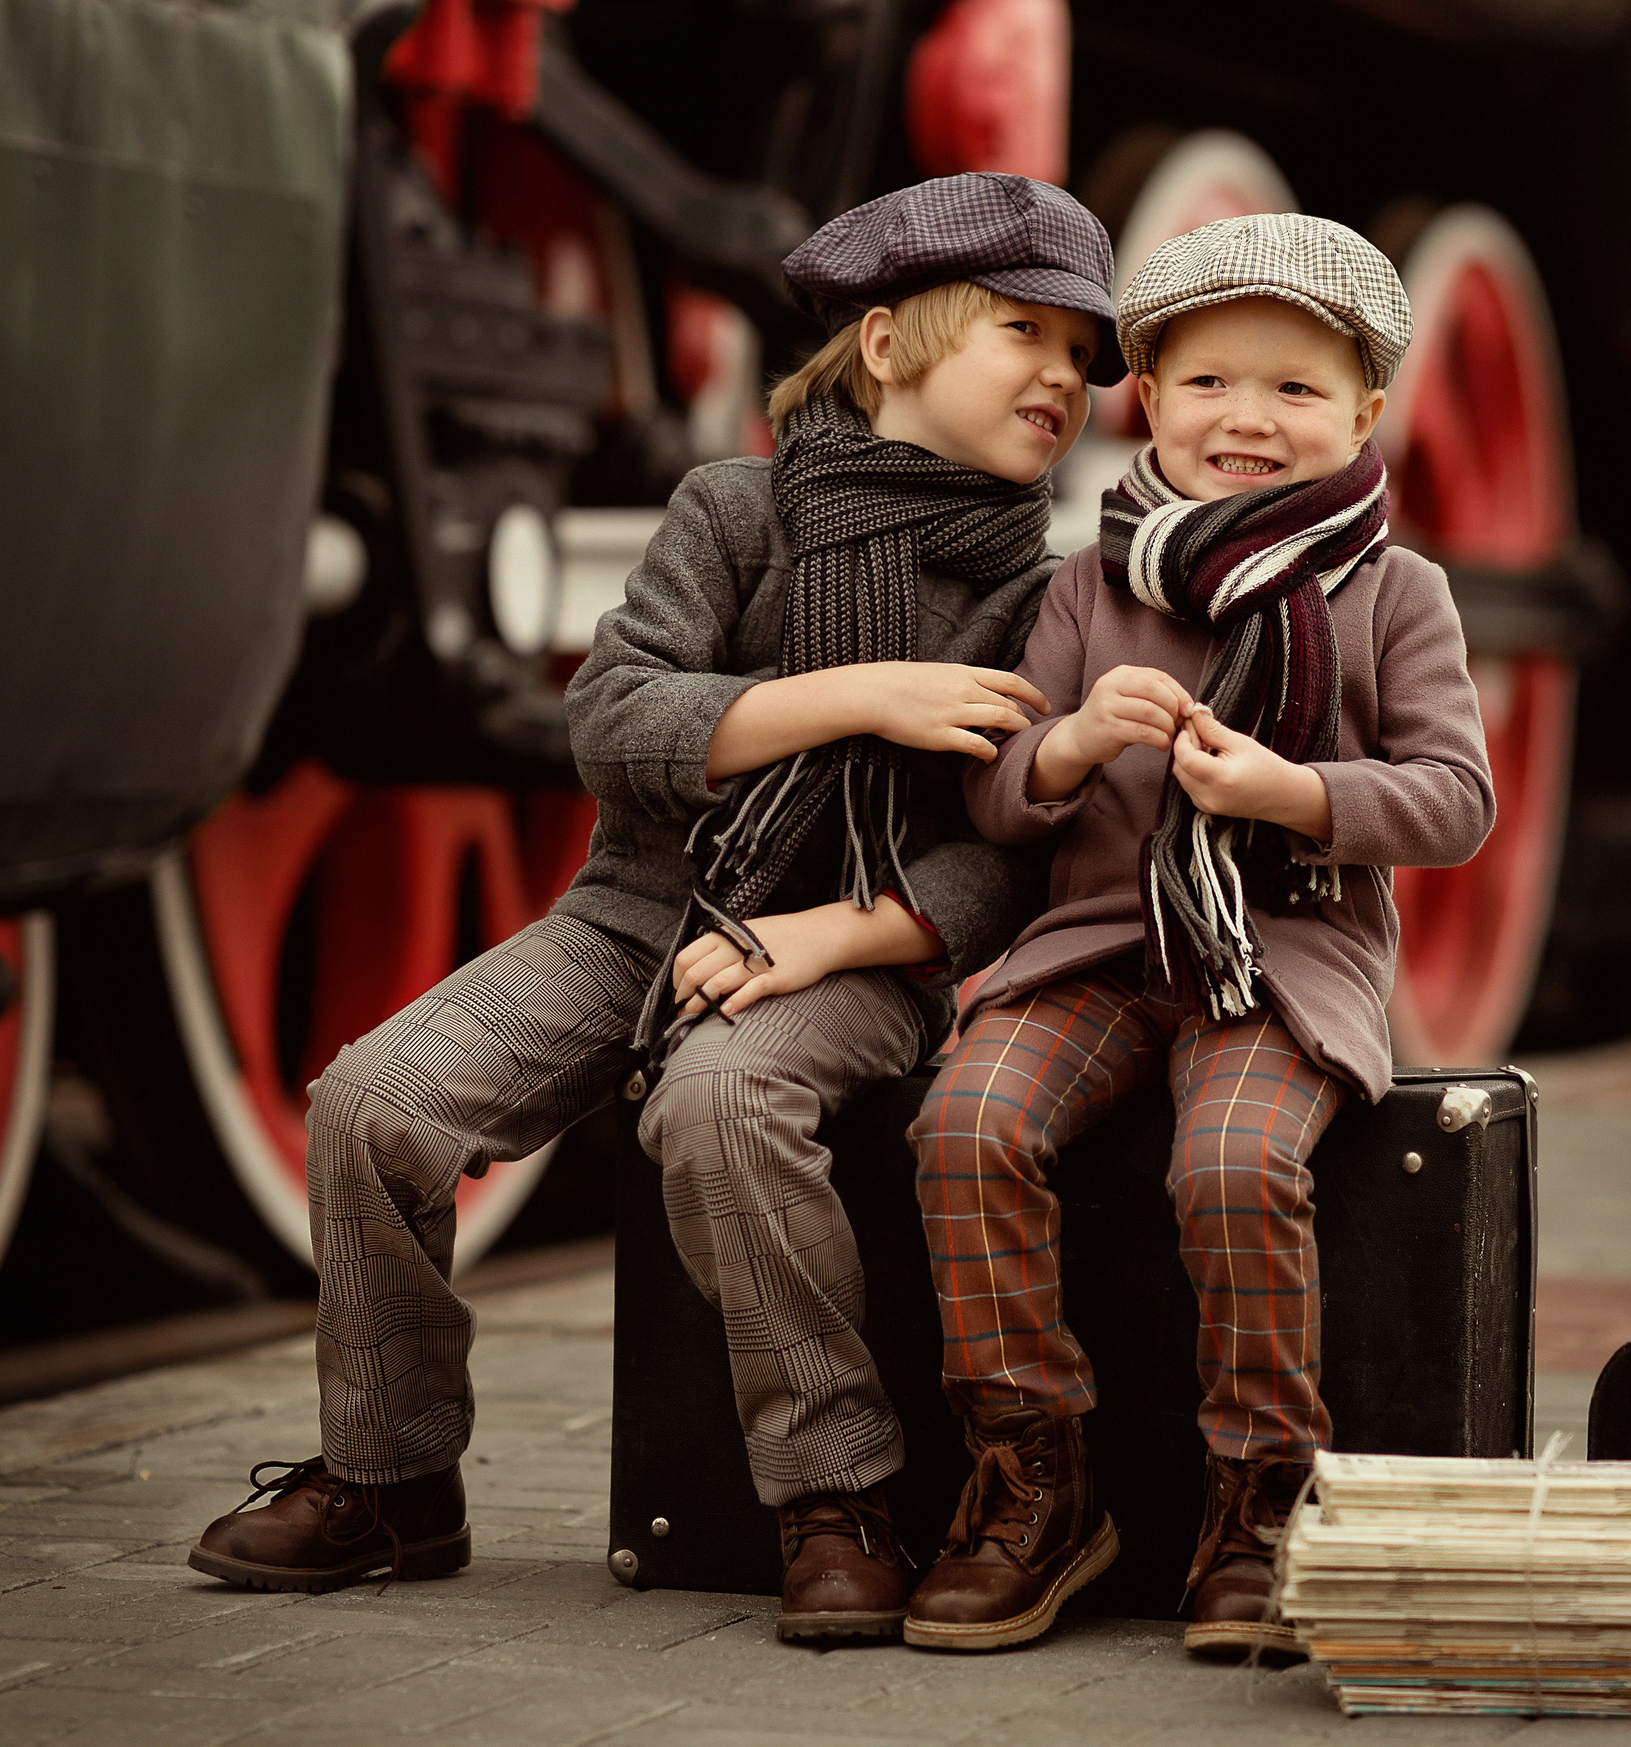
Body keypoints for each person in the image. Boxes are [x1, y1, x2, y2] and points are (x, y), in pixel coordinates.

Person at [187, 173, 1124, 1644]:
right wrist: (846, 695)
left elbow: (1009, 859)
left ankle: (836, 1492)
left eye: (1084, 357)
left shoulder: (1045, 593)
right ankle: (391, 1474)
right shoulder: (733, 511)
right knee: (374, 1104)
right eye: (1026, 335)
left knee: (719, 1107)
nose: (1065, 379)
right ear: (886, 344)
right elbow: (610, 720)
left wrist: (833, 935)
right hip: (639, 909)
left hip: (862, 943)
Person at [901, 212, 1495, 1657]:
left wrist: (1295, 794)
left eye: (1296, 390)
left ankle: (1263, 1493)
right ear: (1148, 400)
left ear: (1364, 413)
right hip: (1101, 946)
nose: (1250, 418)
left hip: (1275, 960)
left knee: (1229, 1164)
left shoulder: (1393, 592)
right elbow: (992, 793)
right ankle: (1036, 1476)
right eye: (1213, 382)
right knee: (964, 1125)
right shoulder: (1085, 589)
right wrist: (1063, 749)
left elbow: (1455, 799)